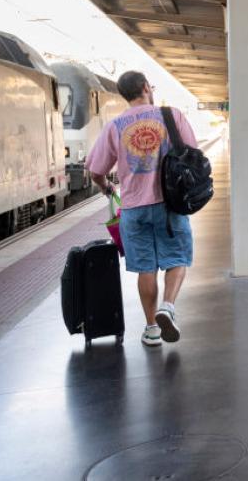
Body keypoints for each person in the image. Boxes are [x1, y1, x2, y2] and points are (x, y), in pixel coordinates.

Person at [86, 70, 197, 348]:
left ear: (125, 94)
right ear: (147, 87)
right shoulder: (172, 116)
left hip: (134, 208)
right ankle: (167, 307)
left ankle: (151, 330)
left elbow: (95, 170)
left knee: (145, 269)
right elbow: (193, 153)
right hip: (169, 204)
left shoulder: (115, 126)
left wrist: (106, 188)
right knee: (177, 259)